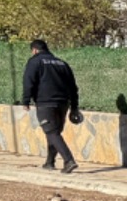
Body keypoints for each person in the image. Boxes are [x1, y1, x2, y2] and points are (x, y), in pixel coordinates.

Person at [21, 39, 82, 173]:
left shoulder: (35, 62)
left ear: (35, 50)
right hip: (63, 103)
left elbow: (28, 82)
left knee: (51, 132)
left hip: (45, 103)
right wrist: (74, 106)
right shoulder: (62, 63)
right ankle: (50, 162)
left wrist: (25, 101)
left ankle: (69, 161)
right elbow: (73, 87)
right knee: (54, 133)